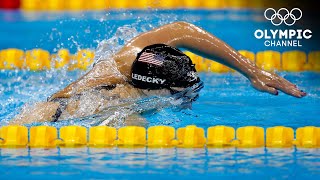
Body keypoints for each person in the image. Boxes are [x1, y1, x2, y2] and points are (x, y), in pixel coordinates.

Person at [10, 21, 306, 125]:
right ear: (155, 89)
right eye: (180, 93)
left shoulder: (134, 56)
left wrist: (252, 71)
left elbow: (183, 30)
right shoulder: (119, 105)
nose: (190, 97)